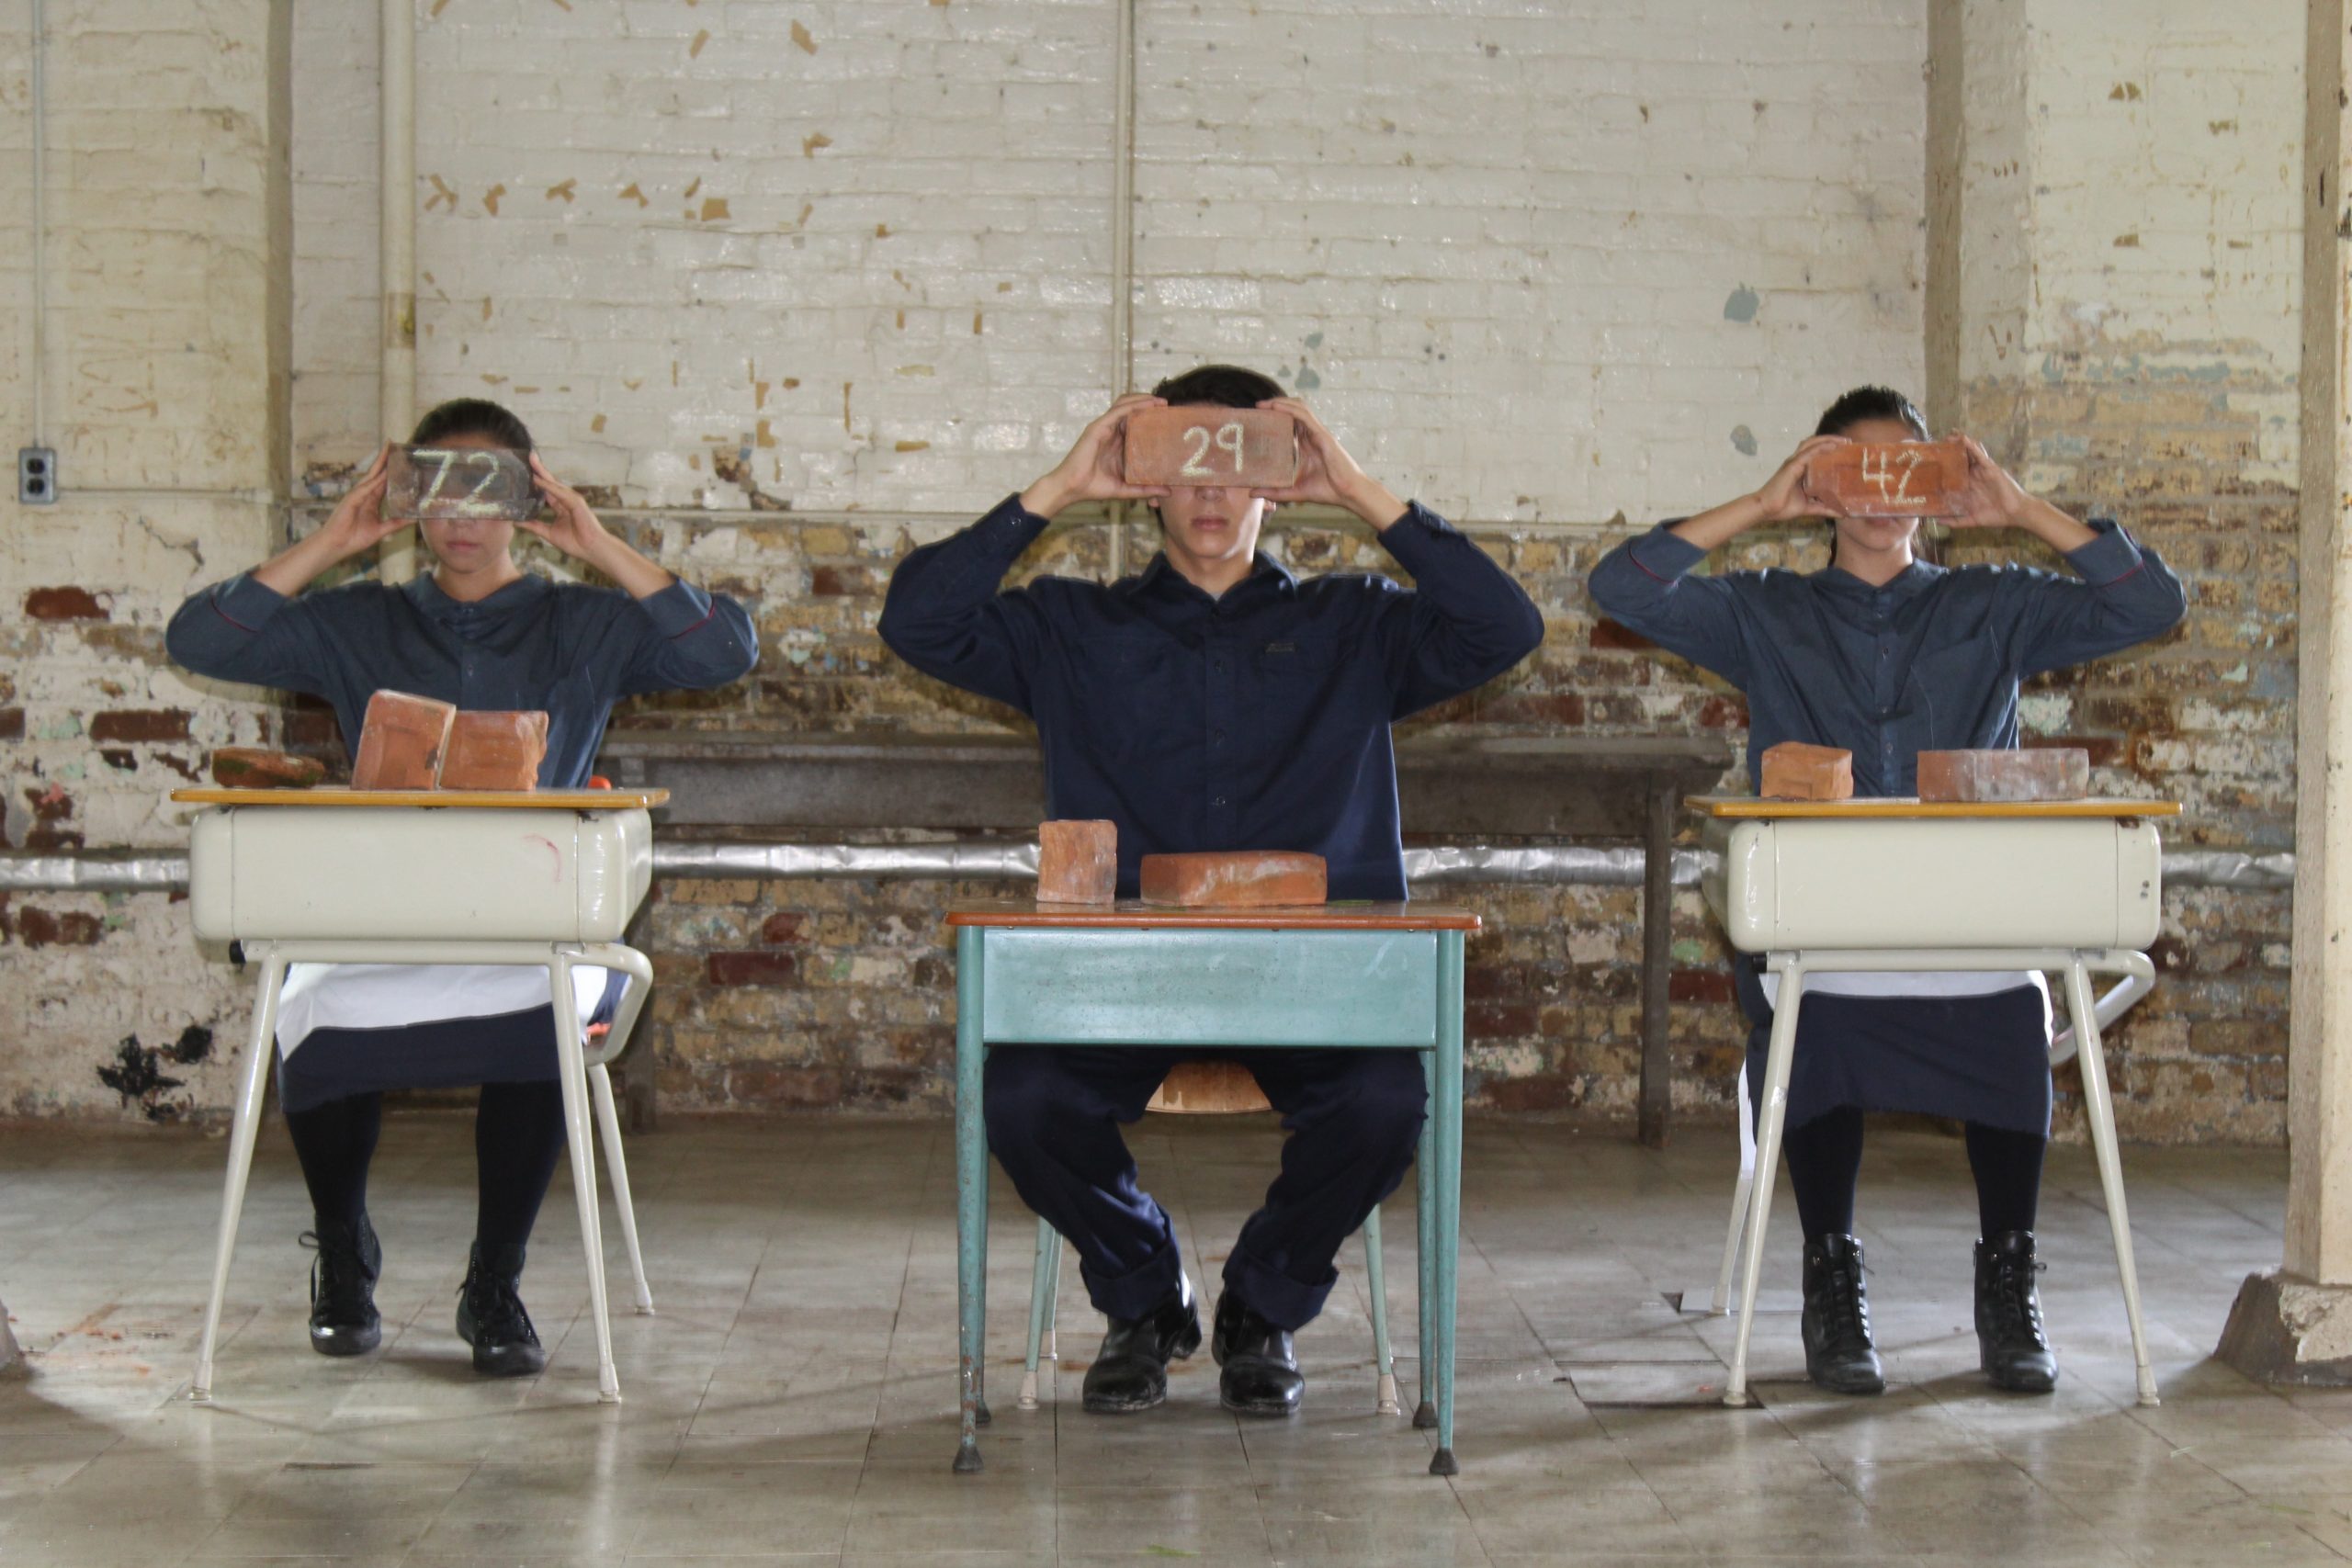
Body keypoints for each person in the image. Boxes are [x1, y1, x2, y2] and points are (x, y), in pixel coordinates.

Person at [879, 365, 1543, 1417]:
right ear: (1148, 482)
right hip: (1123, 980)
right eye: (1184, 462)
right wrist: (1057, 487)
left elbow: (1504, 629)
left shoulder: (1359, 626)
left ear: (1274, 484)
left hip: (1314, 981)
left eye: (1239, 466)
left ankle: (1260, 1306)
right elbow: (916, 624)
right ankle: (1145, 1297)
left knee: (1384, 1102)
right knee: (1023, 1097)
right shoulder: (1067, 628)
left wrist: (1359, 488)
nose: (1211, 490)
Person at [1589, 385, 2185, 1396]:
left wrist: (2020, 508)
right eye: (1851, 471)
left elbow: (2150, 604)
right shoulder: (1764, 612)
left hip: (1971, 928)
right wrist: (1759, 506)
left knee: (2010, 1019)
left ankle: (2008, 1280)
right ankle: (1832, 1275)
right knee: (1806, 1019)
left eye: (1904, 470)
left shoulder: (1989, 605)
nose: (1878, 494)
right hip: (1819, 936)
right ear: (1822, 487)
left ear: (1937, 485)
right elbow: (1622, 587)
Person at [166, 399, 757, 1375]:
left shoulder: (585, 624)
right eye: (438, 489)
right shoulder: (362, 622)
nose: (464, 517)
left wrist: (598, 543)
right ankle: (344, 1249)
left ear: (528, 498)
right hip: (381, 910)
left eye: (491, 490)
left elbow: (723, 651)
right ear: (407, 500)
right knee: (312, 1007)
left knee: (543, 1021)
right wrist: (335, 540)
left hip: (529, 918)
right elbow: (202, 642)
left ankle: (495, 1278)